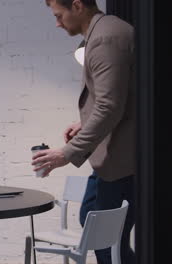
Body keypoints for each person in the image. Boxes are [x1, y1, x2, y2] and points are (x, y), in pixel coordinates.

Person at [32, 1, 136, 264]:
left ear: (77, 5)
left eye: (59, 15)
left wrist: (66, 153)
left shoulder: (105, 38)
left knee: (106, 241)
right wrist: (84, 122)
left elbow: (109, 105)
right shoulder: (106, 32)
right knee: (94, 220)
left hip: (122, 158)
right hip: (112, 157)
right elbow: (119, 97)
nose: (57, 23)